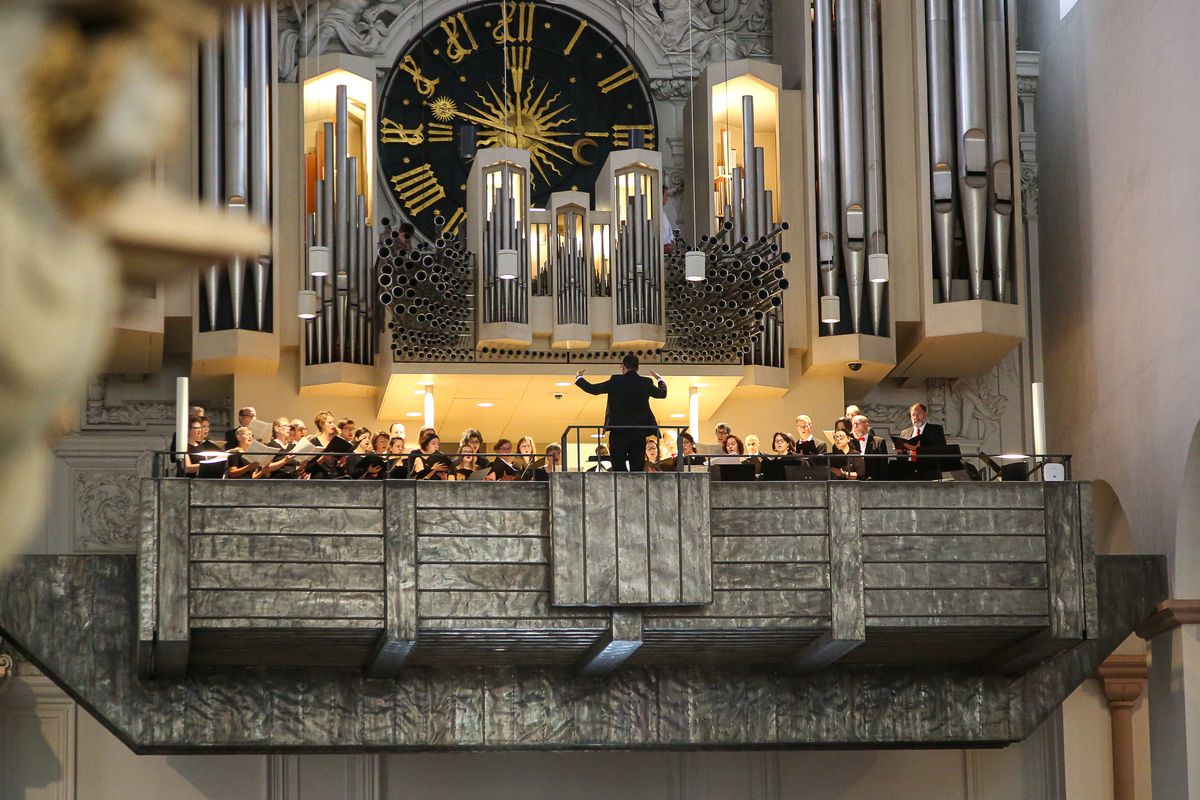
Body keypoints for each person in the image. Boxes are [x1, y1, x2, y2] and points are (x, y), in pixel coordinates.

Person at [574, 354, 667, 472]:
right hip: (639, 432)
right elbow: (662, 394)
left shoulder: (616, 380)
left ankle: (621, 488)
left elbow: (594, 389)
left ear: (623, 366)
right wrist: (660, 380)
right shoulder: (646, 382)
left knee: (618, 466)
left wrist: (579, 378)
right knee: (637, 466)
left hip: (618, 430)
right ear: (637, 368)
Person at [850, 414, 889, 479]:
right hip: (854, 481)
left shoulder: (879, 441)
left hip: (873, 481)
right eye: (853, 424)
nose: (854, 426)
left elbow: (883, 465)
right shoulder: (849, 441)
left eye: (857, 423)